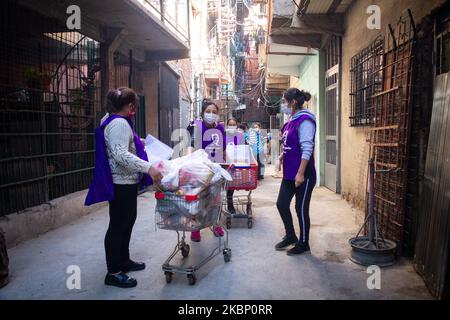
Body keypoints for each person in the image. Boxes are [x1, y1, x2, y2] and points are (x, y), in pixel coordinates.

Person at [85, 87, 163, 288]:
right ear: (129, 105)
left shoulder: (111, 119)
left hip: (125, 181)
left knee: (127, 221)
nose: (134, 108)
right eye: (133, 104)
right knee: (118, 226)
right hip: (121, 183)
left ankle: (123, 260)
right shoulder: (119, 123)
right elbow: (120, 154)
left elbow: (118, 146)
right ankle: (113, 272)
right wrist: (149, 168)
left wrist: (138, 142)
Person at [275, 88, 316, 256]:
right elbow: (288, 144)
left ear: (293, 102)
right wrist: (280, 157)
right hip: (289, 173)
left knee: (300, 208)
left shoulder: (305, 121)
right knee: (282, 204)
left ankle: (304, 243)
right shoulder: (290, 121)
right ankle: (291, 236)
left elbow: (307, 149)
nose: (283, 105)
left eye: (285, 101)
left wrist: (300, 173)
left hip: (303, 175)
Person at [187, 99, 226, 242]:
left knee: (215, 199)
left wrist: (224, 166)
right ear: (202, 113)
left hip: (215, 168)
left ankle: (215, 225)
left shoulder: (220, 128)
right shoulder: (196, 125)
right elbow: (190, 145)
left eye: (214, 112)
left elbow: (223, 149)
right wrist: (189, 162)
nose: (211, 114)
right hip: (199, 168)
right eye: (208, 111)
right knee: (198, 200)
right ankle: (195, 229)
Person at [224, 117, 245, 214]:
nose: (232, 126)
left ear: (236, 126)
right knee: (226, 185)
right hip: (225, 163)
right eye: (230, 125)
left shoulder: (240, 135)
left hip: (236, 162)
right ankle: (228, 204)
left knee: (231, 185)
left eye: (233, 125)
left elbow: (242, 148)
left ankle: (230, 204)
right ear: (227, 125)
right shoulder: (223, 135)